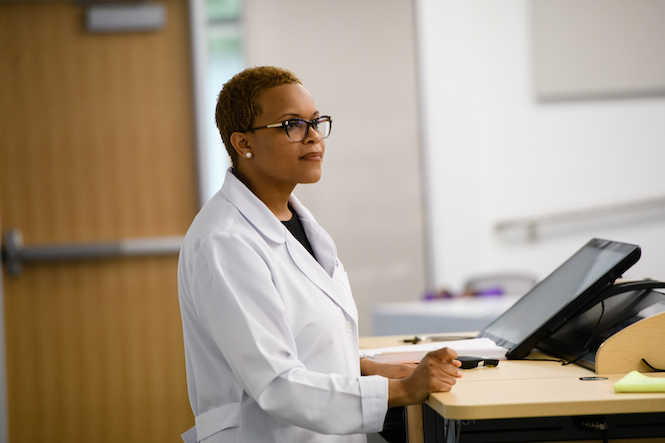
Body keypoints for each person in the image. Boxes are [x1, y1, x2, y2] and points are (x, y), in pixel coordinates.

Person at [177, 66, 462, 443]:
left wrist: (368, 369)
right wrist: (404, 391)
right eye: (292, 125)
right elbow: (276, 384)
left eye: (317, 121)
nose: (314, 137)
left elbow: (303, 344)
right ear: (243, 143)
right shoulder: (223, 242)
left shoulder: (295, 222)